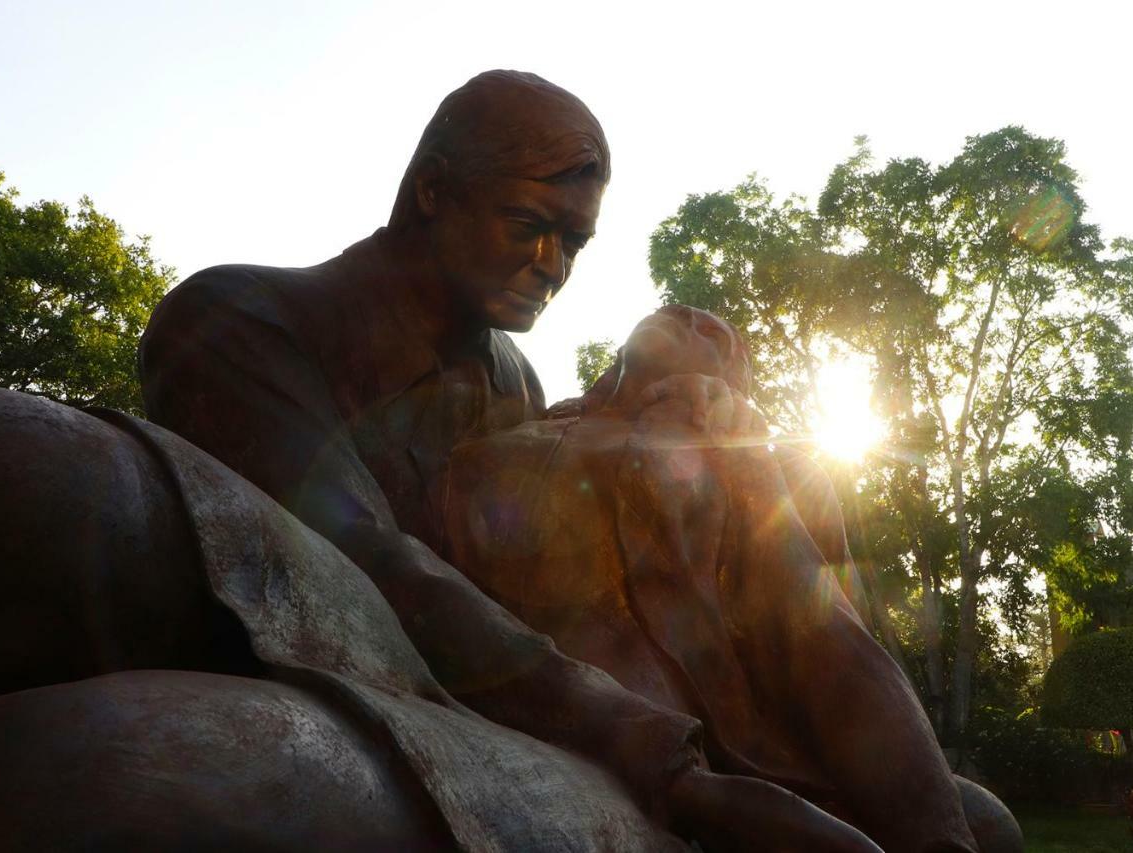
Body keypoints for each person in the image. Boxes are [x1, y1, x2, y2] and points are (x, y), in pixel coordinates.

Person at [139, 70, 994, 851]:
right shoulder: (238, 322)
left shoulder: (517, 382)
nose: (551, 267)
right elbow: (364, 564)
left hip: (564, 707)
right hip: (373, 704)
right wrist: (671, 768)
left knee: (977, 822)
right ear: (431, 189)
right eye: (528, 226)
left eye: (574, 244)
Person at [445, 304, 1021, 850]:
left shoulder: (786, 471)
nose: (694, 320)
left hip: (763, 738)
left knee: (986, 823)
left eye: (718, 338)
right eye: (675, 316)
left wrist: (752, 471)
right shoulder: (518, 448)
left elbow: (833, 636)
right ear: (609, 371)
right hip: (614, 730)